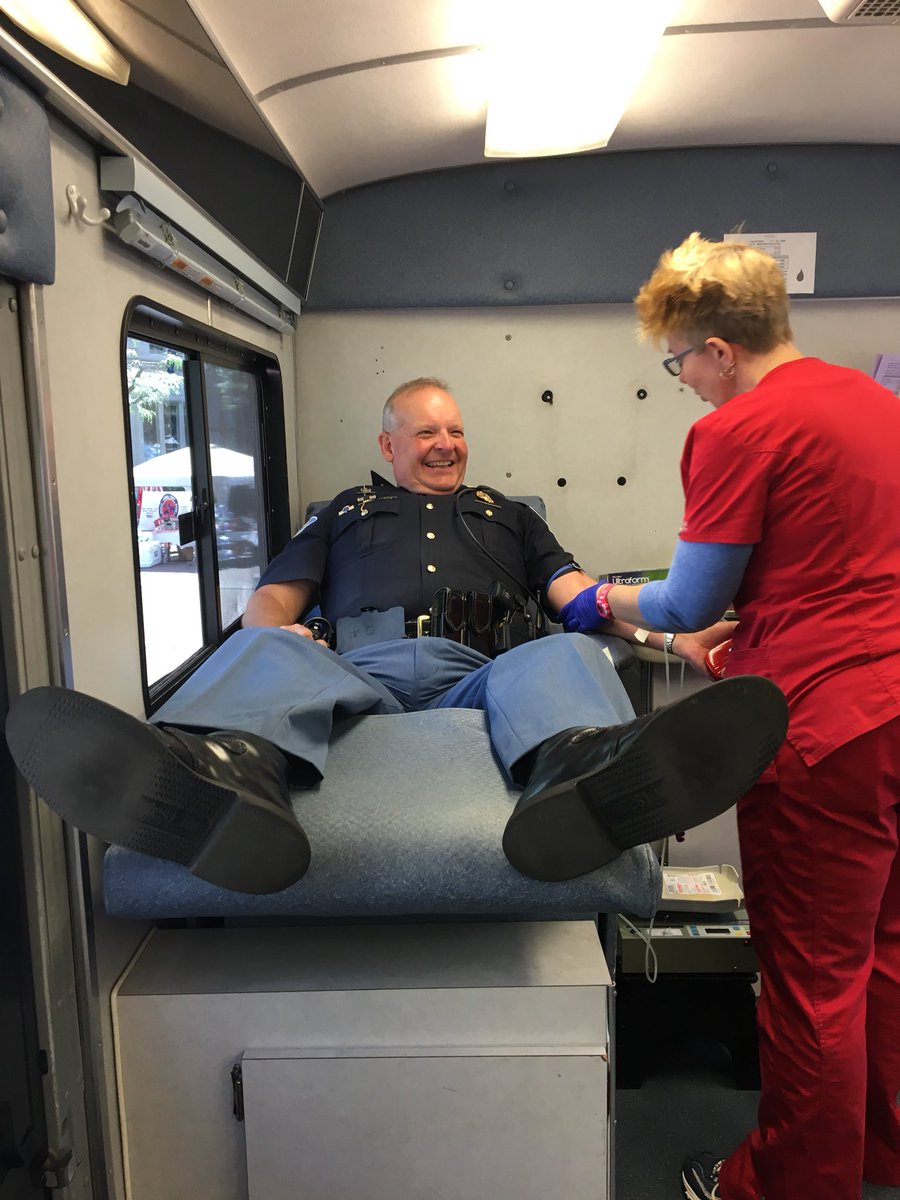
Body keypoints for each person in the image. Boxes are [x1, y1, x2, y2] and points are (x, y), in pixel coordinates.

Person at [6, 376, 785, 895]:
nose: (445, 444)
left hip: (483, 672)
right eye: (425, 433)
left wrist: (669, 637)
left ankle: (581, 770)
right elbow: (271, 600)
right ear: (389, 446)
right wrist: (284, 639)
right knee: (261, 644)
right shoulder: (342, 512)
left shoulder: (513, 517)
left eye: (454, 430)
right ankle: (223, 773)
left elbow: (578, 602)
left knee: (566, 648)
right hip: (356, 673)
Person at [561, 236, 900, 1200]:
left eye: (681, 365)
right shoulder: (877, 405)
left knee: (810, 979)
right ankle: (878, 1153)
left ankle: (788, 1184)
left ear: (716, 346)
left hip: (823, 727)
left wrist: (601, 598)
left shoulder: (742, 428)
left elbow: (683, 601)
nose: (688, 385)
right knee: (884, 950)